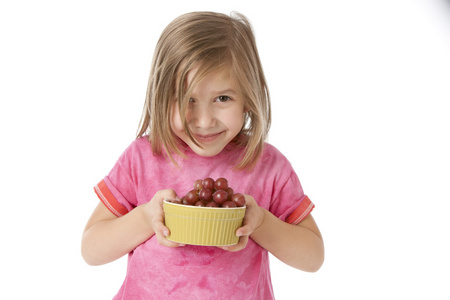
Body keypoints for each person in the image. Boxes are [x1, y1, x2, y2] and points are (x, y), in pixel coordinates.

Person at [81, 11, 324, 299]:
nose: (204, 120)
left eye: (223, 98)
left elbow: (313, 258)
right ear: (161, 96)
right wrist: (145, 219)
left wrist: (261, 223)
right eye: (187, 100)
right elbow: (91, 250)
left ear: (249, 96)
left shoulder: (268, 165)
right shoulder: (143, 158)